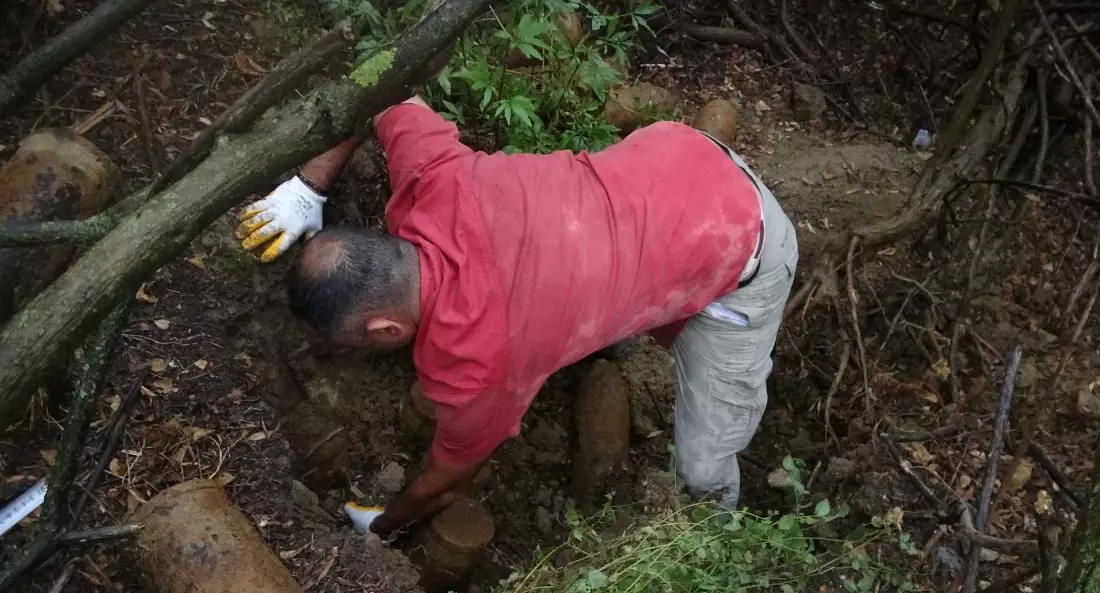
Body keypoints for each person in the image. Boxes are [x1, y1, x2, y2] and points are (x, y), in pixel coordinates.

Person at [237, 96, 798, 537]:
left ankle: (718, 536)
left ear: (385, 330)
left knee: (702, 466)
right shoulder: (437, 177)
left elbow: (445, 483)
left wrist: (383, 523)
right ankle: (611, 332)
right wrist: (310, 185)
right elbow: (383, 86)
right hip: (678, 156)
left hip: (743, 237)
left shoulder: (476, 362)